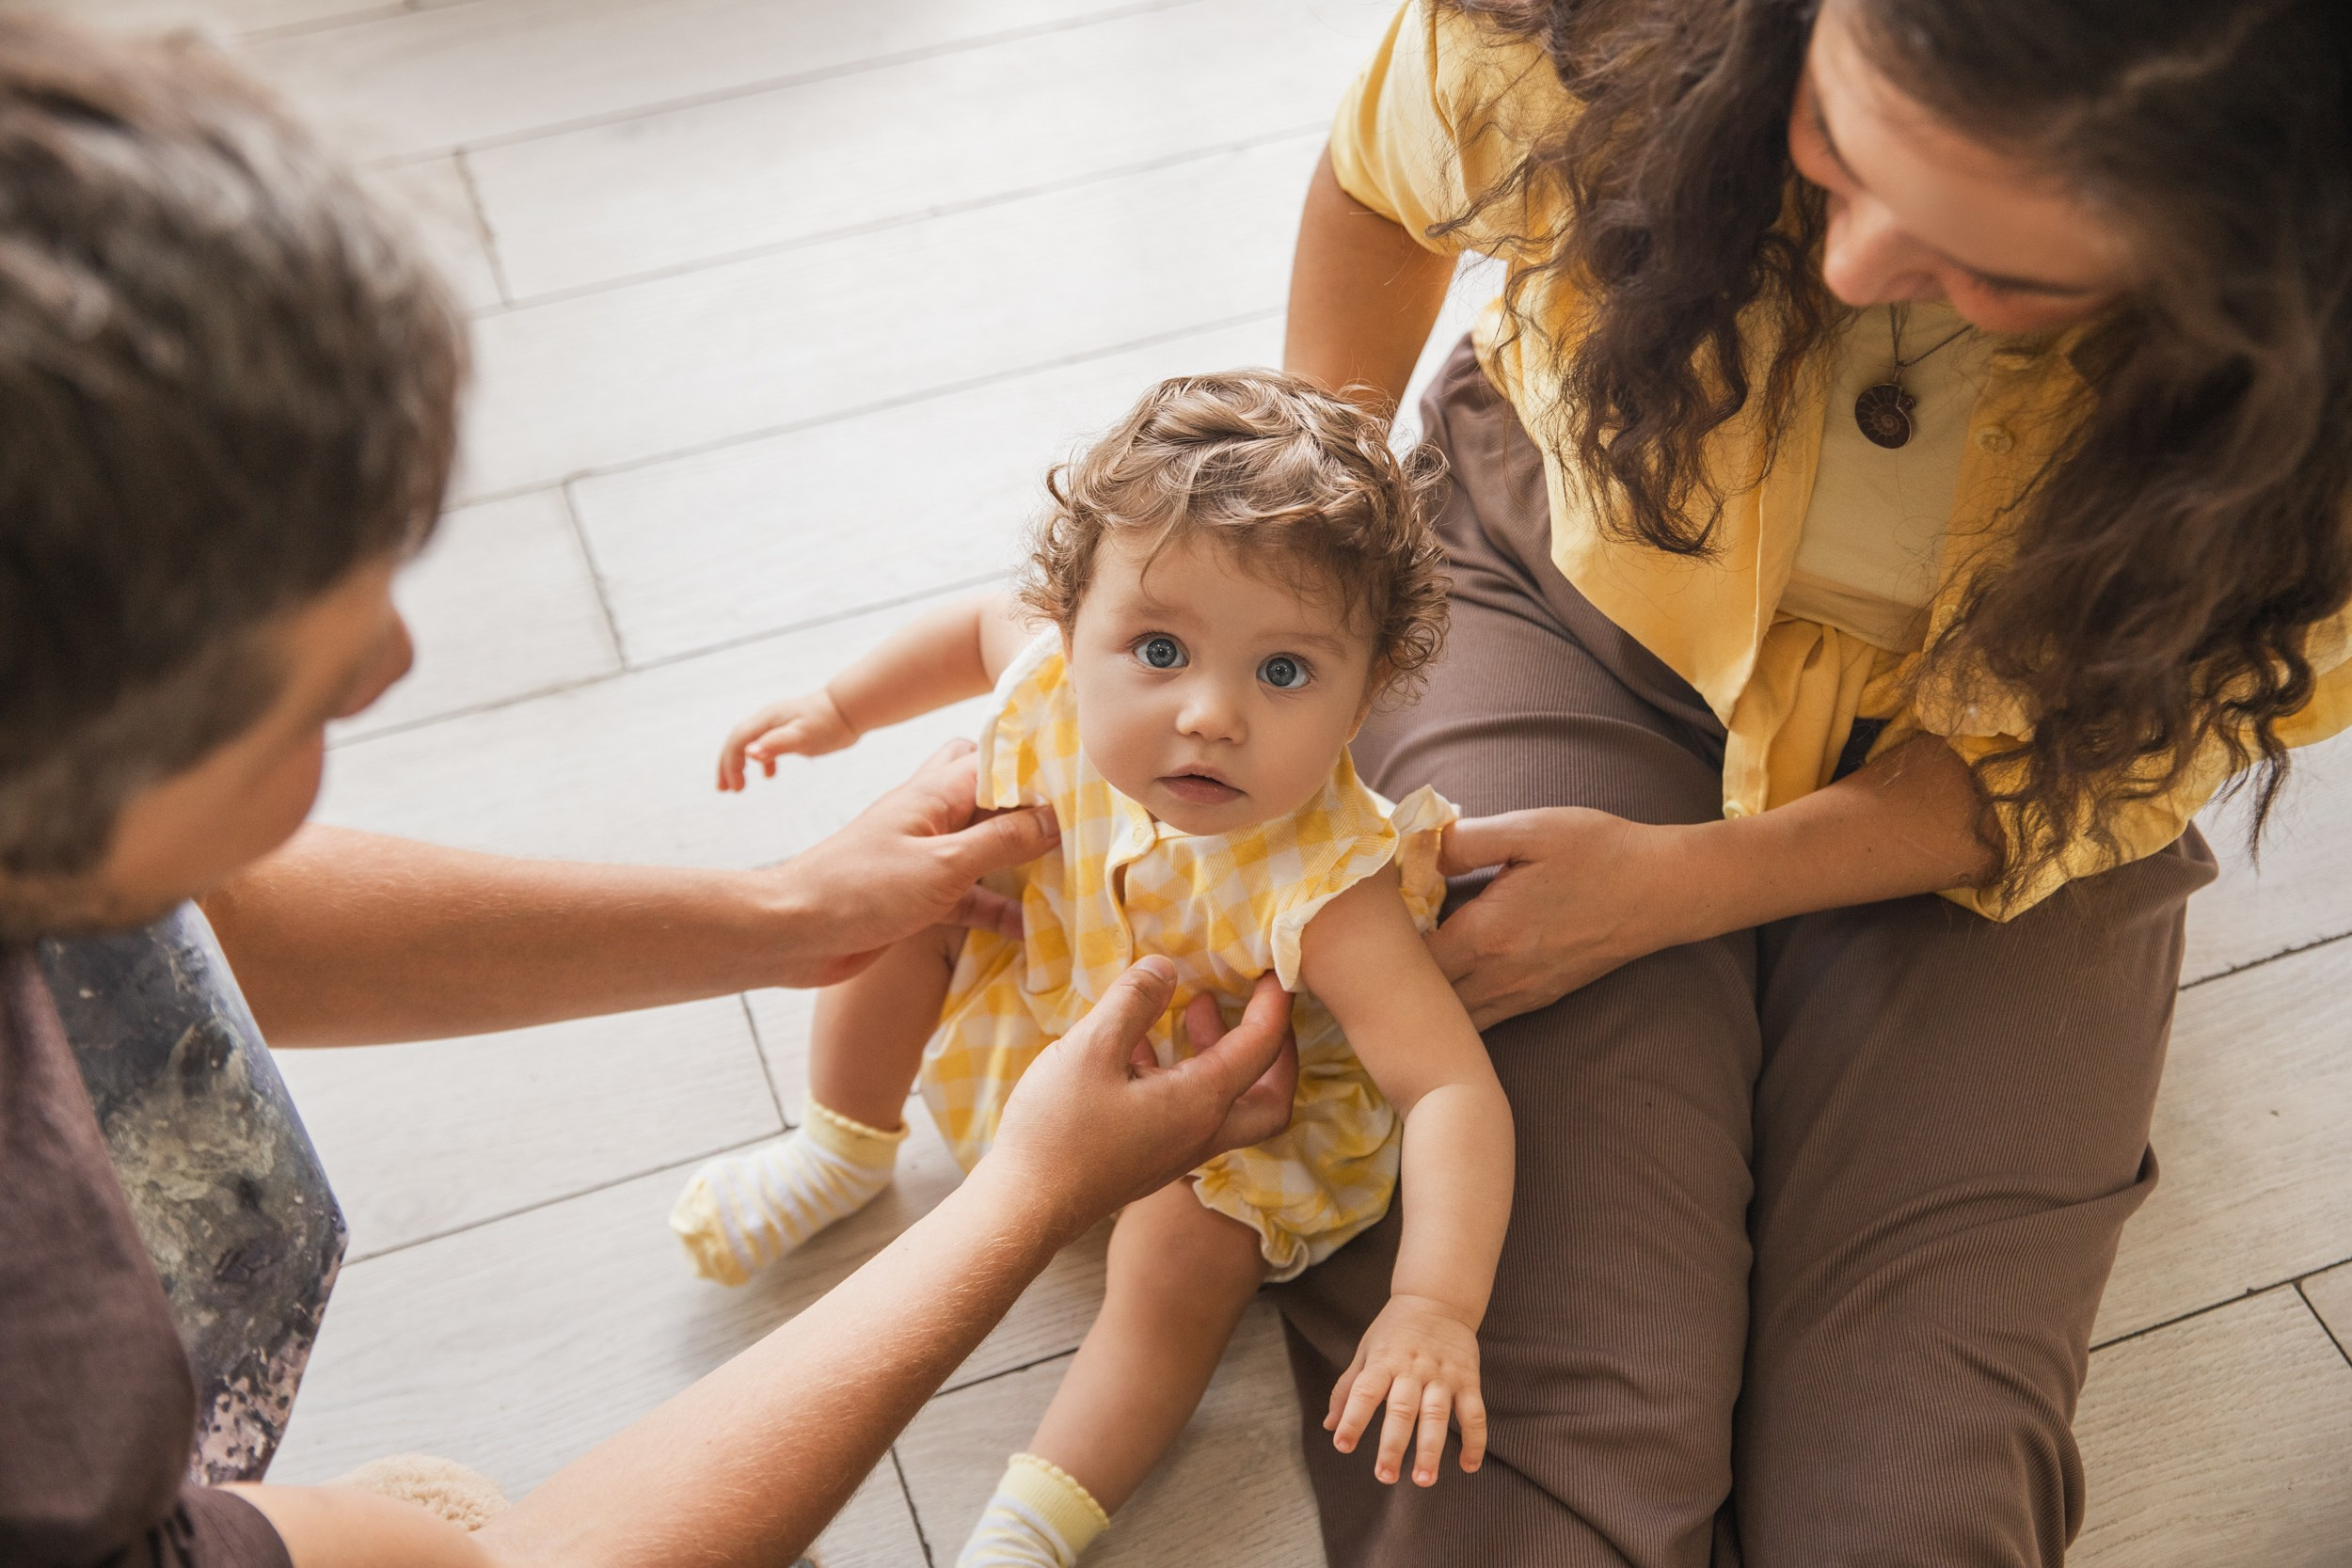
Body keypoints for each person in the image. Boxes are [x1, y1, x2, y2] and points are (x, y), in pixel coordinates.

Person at [0, 15, 1297, 1568]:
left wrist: (783, 912)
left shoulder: (57, 827)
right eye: (293, 686)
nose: (391, 666)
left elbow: (169, 899)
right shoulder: (47, 1404)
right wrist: (1019, 1194)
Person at [1273, 0, 2352, 1563]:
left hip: (2009, 770)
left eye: (2000, 275)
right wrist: (1302, 575)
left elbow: (2113, 756)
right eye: (1836, 142)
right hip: (1567, 585)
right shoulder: (1603, 30)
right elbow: (1379, 192)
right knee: (1524, 1418)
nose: (1852, 271)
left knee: (1909, 1494)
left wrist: (1677, 890)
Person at [674, 372, 1515, 1568]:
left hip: (1228, 1111)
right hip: (1058, 994)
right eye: (1159, 649)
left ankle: (1036, 1522)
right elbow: (975, 629)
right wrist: (835, 706)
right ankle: (840, 1146)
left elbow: (1450, 1089)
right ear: (1071, 626)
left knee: (1184, 1251)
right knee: (914, 897)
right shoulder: (1056, 681)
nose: (1211, 713)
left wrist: (1433, 1303)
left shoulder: (1331, 889)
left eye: (1285, 672)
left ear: (1366, 692)